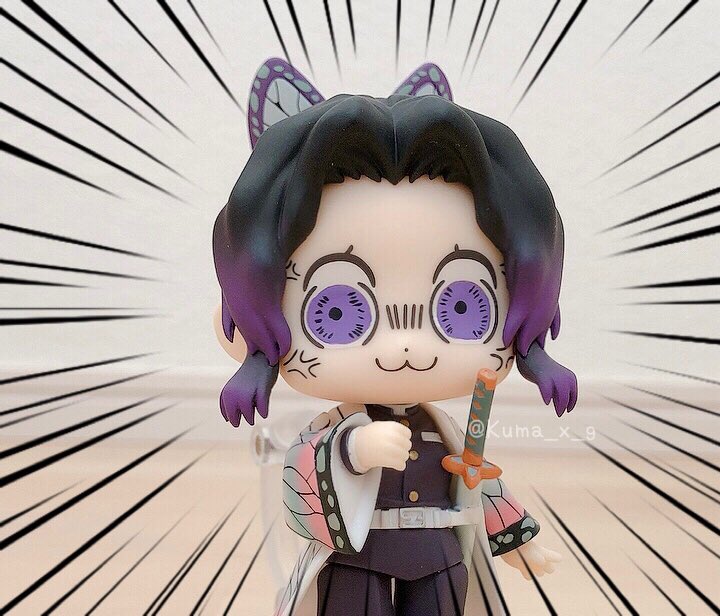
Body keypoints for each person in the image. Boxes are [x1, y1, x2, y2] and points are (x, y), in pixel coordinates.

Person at [213, 59, 577, 616]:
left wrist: (518, 541)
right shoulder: (332, 429)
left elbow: (478, 480)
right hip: (356, 559)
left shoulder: (450, 430)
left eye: (462, 307)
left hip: (439, 557)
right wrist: (352, 450)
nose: (405, 347)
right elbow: (299, 476)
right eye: (337, 311)